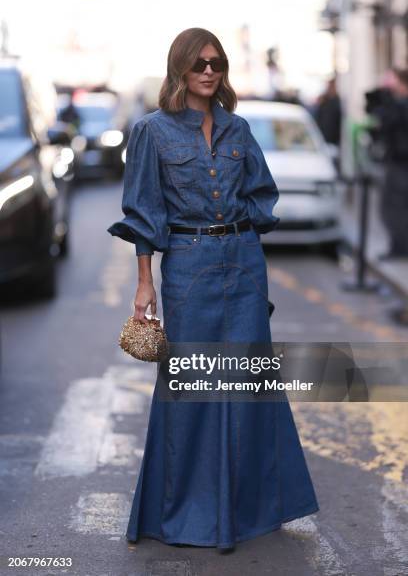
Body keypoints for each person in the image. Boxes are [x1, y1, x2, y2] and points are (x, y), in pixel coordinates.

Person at [107, 28, 319, 551]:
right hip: (188, 267)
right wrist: (143, 283)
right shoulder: (151, 132)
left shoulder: (239, 129)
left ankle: (246, 512)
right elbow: (143, 213)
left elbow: (262, 193)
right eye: (199, 63)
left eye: (216, 62)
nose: (208, 70)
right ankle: (186, 513)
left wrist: (241, 224)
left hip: (244, 264)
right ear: (180, 67)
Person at [365, 67, 408, 258]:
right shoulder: (397, 104)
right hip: (397, 161)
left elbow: (386, 123)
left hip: (401, 162)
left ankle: (400, 248)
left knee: (394, 207)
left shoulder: (401, 106)